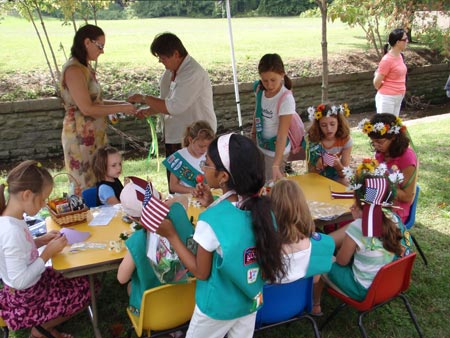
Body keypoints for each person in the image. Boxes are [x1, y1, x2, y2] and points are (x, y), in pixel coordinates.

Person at [156, 133, 285, 338]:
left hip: (217, 307)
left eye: (206, 163)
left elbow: (201, 272)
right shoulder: (264, 209)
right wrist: (212, 203)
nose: (203, 167)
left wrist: (171, 235)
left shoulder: (210, 220)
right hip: (250, 299)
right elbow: (236, 228)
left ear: (223, 176)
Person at [0, 160, 91, 338]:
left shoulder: (13, 218)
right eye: (42, 199)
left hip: (33, 285)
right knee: (87, 289)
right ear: (26, 195)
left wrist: (40, 241)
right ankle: (41, 329)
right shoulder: (11, 230)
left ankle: (45, 325)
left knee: (81, 277)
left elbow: (20, 250)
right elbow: (19, 281)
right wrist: (48, 253)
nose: (43, 205)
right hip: (27, 297)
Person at [312, 159, 411, 313]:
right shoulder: (393, 218)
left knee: (320, 256)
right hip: (388, 284)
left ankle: (315, 305)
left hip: (362, 290)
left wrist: (356, 223)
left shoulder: (357, 227)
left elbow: (341, 261)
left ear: (359, 202)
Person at [127, 32, 217, 188]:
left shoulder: (193, 73)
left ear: (176, 54)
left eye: (163, 57)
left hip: (197, 138)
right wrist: (150, 110)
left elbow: (175, 106)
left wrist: (143, 98)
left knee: (194, 184)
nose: (161, 62)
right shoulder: (170, 72)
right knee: (175, 184)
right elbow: (167, 101)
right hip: (175, 136)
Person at [60, 24, 136, 192]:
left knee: (102, 180)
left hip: (95, 136)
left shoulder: (85, 67)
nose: (102, 51)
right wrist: (122, 107)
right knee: (85, 184)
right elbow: (87, 108)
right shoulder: (73, 70)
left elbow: (97, 102)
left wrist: (122, 106)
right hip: (80, 137)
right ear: (87, 42)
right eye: (100, 46)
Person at [270, 179, 335, 284]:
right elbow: (315, 280)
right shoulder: (318, 246)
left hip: (268, 299)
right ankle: (317, 300)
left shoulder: (263, 246)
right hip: (301, 300)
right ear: (303, 207)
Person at [358, 113, 418, 222]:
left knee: (359, 223)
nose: (376, 146)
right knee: (351, 213)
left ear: (394, 137)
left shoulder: (407, 158)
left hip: (396, 210)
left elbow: (407, 196)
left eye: (380, 142)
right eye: (373, 142)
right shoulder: (381, 153)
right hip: (380, 201)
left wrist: (383, 183)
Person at [251, 53, 296, 182]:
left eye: (273, 80)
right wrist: (253, 134)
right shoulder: (259, 89)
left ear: (282, 75)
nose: (269, 85)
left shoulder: (286, 99)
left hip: (275, 151)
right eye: (265, 80)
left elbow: (282, 134)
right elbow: (258, 111)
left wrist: (276, 164)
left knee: (272, 187)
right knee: (259, 182)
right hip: (261, 145)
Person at [304, 103, 352, 184]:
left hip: (336, 176)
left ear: (339, 123)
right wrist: (318, 166)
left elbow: (345, 174)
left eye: (332, 124)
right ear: (318, 126)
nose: (329, 129)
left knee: (345, 182)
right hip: (317, 177)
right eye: (323, 125)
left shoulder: (345, 140)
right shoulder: (312, 140)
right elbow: (311, 173)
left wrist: (338, 165)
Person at [162, 120, 215, 195]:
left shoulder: (209, 155)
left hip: (205, 197)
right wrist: (192, 190)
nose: (204, 149)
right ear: (190, 140)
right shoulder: (178, 157)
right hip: (185, 199)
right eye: (201, 146)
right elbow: (173, 186)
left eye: (207, 146)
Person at [373, 28, 408, 116]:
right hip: (387, 98)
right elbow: (376, 83)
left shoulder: (400, 56)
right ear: (397, 42)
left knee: (394, 126)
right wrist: (389, 90)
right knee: (385, 126)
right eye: (405, 39)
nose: (407, 41)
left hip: (398, 97)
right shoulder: (387, 60)